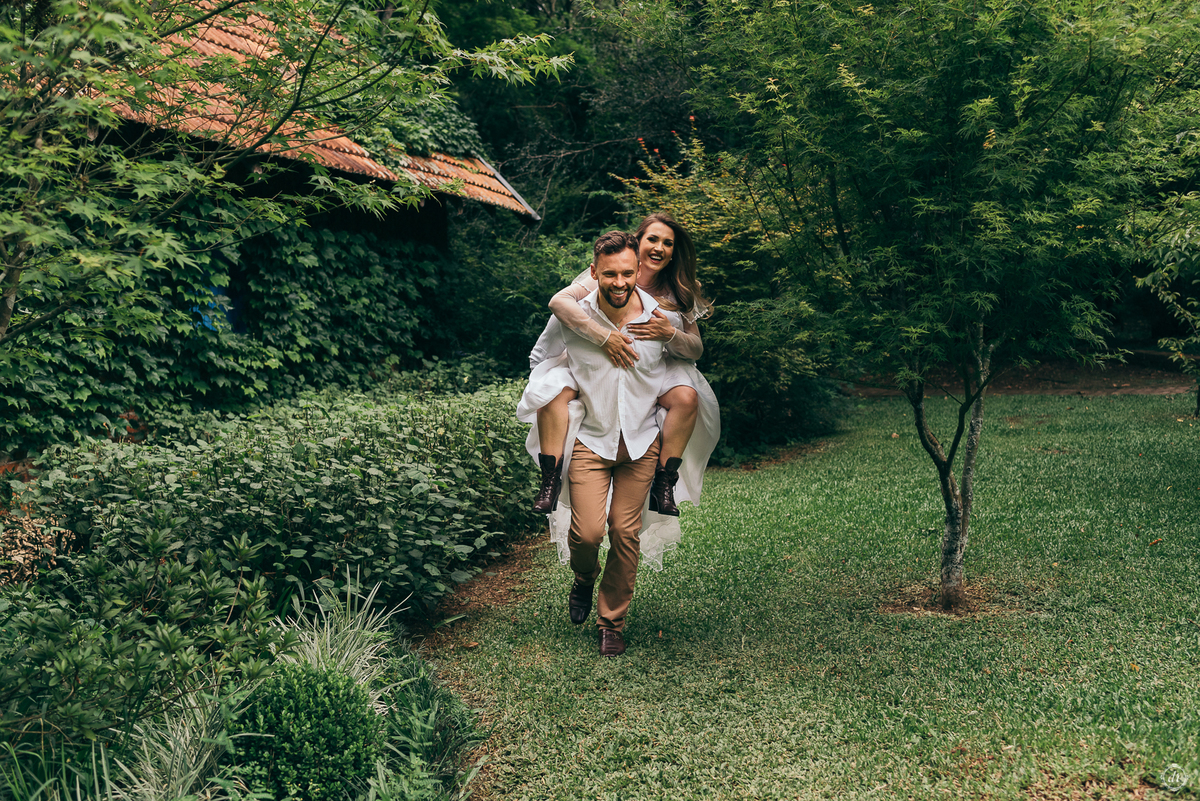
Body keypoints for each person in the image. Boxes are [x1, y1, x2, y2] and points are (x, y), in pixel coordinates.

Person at [529, 213, 719, 519]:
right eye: (653, 239)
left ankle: (665, 481)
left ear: (673, 253)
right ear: (638, 242)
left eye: (668, 243)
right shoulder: (607, 272)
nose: (659, 247)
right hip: (595, 360)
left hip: (654, 365)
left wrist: (668, 333)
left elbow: (695, 348)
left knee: (686, 396)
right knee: (552, 390)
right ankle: (550, 478)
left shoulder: (678, 289)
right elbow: (559, 305)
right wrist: (604, 339)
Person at [528, 230, 665, 656]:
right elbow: (540, 358)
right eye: (610, 274)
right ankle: (584, 578)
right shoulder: (573, 316)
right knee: (587, 535)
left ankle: (612, 622)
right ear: (593, 272)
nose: (620, 282)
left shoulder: (658, 316)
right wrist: (561, 386)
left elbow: (687, 361)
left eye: (628, 272)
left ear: (638, 271)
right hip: (593, 439)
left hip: (642, 443)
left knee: (625, 533)